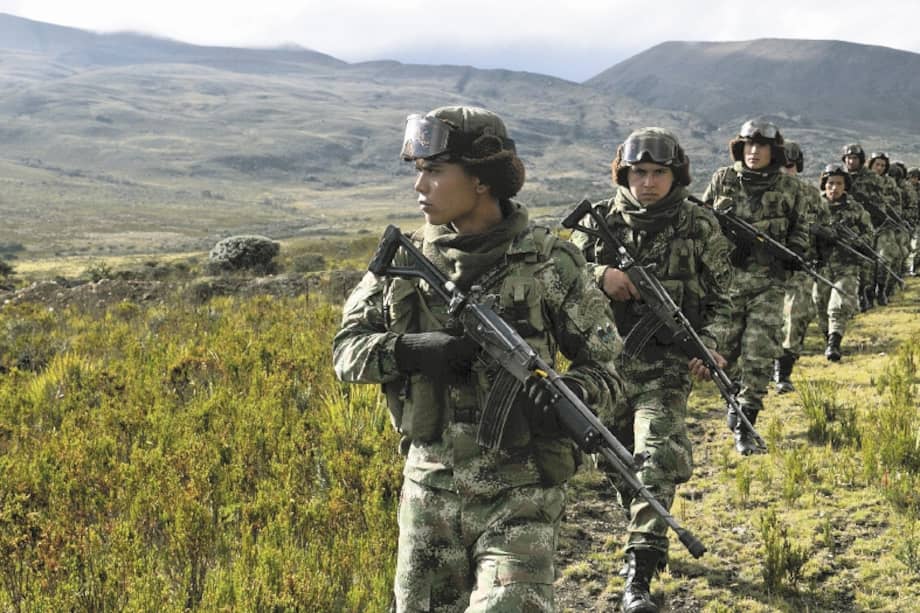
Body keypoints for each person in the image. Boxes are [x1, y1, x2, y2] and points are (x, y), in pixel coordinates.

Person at [332, 105, 623, 612]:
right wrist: (408, 351)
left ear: (483, 180)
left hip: (523, 494)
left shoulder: (550, 263)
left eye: (435, 171)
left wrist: (576, 393)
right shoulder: (402, 262)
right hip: (430, 491)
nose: (419, 185)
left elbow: (609, 370)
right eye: (418, 170)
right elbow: (346, 351)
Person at [569, 127, 733, 613]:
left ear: (676, 175)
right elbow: (560, 281)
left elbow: (725, 300)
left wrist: (710, 344)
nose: (648, 182)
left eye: (659, 172)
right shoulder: (596, 223)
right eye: (638, 172)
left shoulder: (699, 226)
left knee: (657, 455)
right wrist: (601, 275)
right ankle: (646, 525)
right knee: (616, 461)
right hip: (602, 365)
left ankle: (638, 572)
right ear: (623, 174)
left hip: (666, 366)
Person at [701, 119, 809, 455]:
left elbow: (800, 228)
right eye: (749, 145)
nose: (754, 151)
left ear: (773, 151)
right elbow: (700, 224)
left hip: (768, 284)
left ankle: (747, 424)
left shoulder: (790, 188)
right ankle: (734, 400)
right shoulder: (723, 179)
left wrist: (793, 254)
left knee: (759, 353)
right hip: (726, 286)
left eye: (761, 146)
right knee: (726, 353)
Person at [775, 141, 829, 393]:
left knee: (796, 316)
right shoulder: (762, 192)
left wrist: (821, 239)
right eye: (781, 165)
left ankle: (783, 371)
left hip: (800, 266)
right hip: (763, 269)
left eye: (790, 166)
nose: (786, 171)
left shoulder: (810, 194)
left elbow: (825, 229)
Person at [812, 164, 873, 361]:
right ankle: (828, 337)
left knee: (838, 304)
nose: (834, 188)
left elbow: (869, 235)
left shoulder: (855, 209)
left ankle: (834, 344)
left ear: (845, 186)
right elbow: (801, 230)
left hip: (847, 265)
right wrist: (817, 233)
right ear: (824, 184)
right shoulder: (814, 207)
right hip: (820, 265)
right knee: (820, 303)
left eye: (839, 184)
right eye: (830, 183)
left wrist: (854, 241)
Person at [845, 146, 899, 308]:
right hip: (856, 226)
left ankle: (881, 290)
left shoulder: (872, 178)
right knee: (864, 262)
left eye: (855, 158)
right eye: (848, 158)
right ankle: (864, 295)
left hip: (879, 224)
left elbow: (881, 202)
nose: (851, 161)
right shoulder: (842, 178)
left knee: (883, 258)